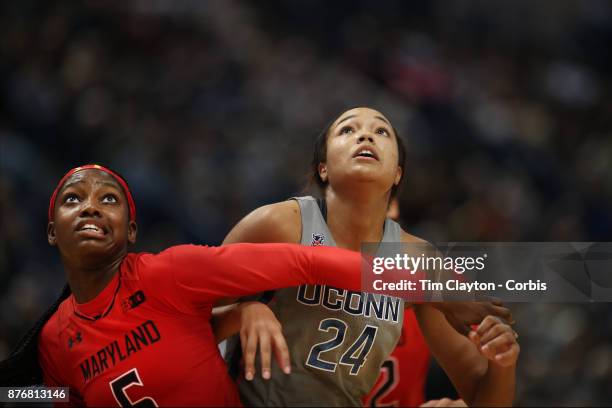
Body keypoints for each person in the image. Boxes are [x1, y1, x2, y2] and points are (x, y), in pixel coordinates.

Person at [0, 164, 389, 406]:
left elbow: (301, 260)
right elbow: (62, 395)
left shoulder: (168, 273)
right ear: (52, 231)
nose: (90, 206)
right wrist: (10, 393)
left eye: (108, 198)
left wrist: (435, 282)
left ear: (131, 230)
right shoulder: (54, 339)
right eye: (73, 198)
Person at [220, 107, 519, 406]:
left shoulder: (421, 259)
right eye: (347, 130)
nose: (365, 135)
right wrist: (242, 314)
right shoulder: (277, 223)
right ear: (323, 167)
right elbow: (182, 318)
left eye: (381, 132)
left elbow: (483, 399)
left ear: (397, 173)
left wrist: (502, 363)